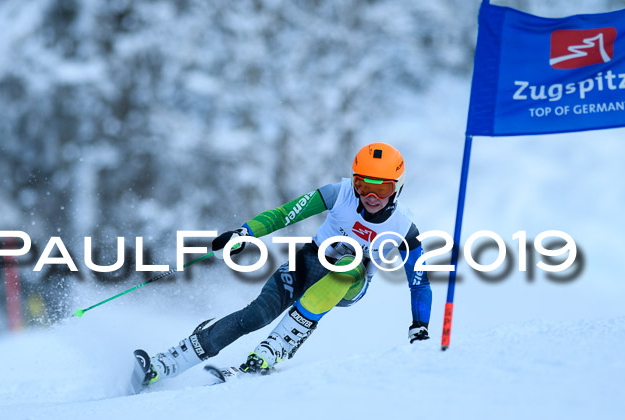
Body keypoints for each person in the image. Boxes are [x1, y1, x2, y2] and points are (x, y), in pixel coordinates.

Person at [145, 142, 432, 382]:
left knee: (348, 264)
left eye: (380, 190)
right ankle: (168, 363)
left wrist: (420, 325)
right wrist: (245, 233)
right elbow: (285, 214)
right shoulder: (338, 194)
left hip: (350, 282)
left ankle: (275, 348)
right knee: (256, 314)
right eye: (362, 185)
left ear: (396, 189)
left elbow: (419, 283)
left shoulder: (403, 228)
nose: (370, 197)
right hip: (310, 262)